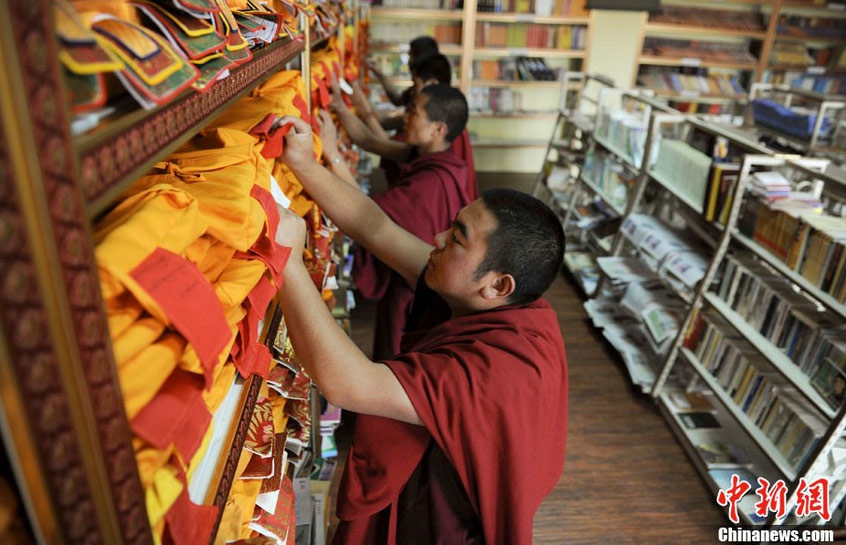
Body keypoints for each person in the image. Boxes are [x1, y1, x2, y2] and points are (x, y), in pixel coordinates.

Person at [274, 114, 568, 545]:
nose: (437, 235)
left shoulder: (495, 371)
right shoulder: (492, 299)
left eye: (458, 238)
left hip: (439, 523)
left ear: (497, 285)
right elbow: (377, 229)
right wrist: (304, 164)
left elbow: (348, 385)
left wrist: (290, 263)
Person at [337, 83, 475, 360]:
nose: (404, 118)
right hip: (417, 278)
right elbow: (370, 141)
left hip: (412, 293)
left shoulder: (431, 181)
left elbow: (369, 217)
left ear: (438, 129)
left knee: (398, 357)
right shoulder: (428, 155)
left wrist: (330, 157)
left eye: (413, 112)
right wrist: (339, 106)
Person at [368, 35, 439, 108]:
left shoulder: (429, 86)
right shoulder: (421, 81)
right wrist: (380, 74)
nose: (408, 63)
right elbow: (399, 100)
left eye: (411, 57)